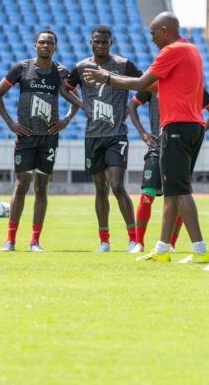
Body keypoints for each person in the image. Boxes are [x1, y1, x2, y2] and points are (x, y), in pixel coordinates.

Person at [84, 12, 209, 263]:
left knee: (181, 190)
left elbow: (142, 82)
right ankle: (162, 250)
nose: (151, 38)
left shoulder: (171, 51)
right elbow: (153, 85)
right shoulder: (191, 50)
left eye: (153, 33)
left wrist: (106, 78)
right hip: (193, 126)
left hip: (177, 126)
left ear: (165, 31)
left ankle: (200, 251)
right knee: (173, 191)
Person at [0, 30, 83, 251]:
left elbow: (75, 99)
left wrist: (67, 120)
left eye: (50, 42)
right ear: (35, 45)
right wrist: (10, 123)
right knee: (21, 185)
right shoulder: (22, 68)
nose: (45, 45)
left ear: (55, 47)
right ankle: (10, 240)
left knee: (41, 187)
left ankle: (35, 241)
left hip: (49, 139)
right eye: (42, 42)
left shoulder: (61, 72)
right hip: (25, 137)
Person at [66, 26, 143, 252]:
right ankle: (104, 241)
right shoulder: (81, 67)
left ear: (111, 43)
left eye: (104, 42)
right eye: (96, 42)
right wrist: (82, 105)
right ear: (90, 42)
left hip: (116, 134)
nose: (100, 45)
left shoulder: (123, 65)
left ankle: (133, 239)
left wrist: (131, 107)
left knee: (117, 185)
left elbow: (144, 83)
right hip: (93, 136)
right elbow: (64, 87)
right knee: (100, 188)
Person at [127, 87, 209, 253]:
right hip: (157, 146)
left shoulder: (193, 86)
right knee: (148, 193)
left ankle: (171, 245)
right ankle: (139, 243)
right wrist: (142, 132)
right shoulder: (153, 83)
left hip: (180, 145)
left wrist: (200, 130)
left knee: (178, 194)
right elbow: (132, 105)